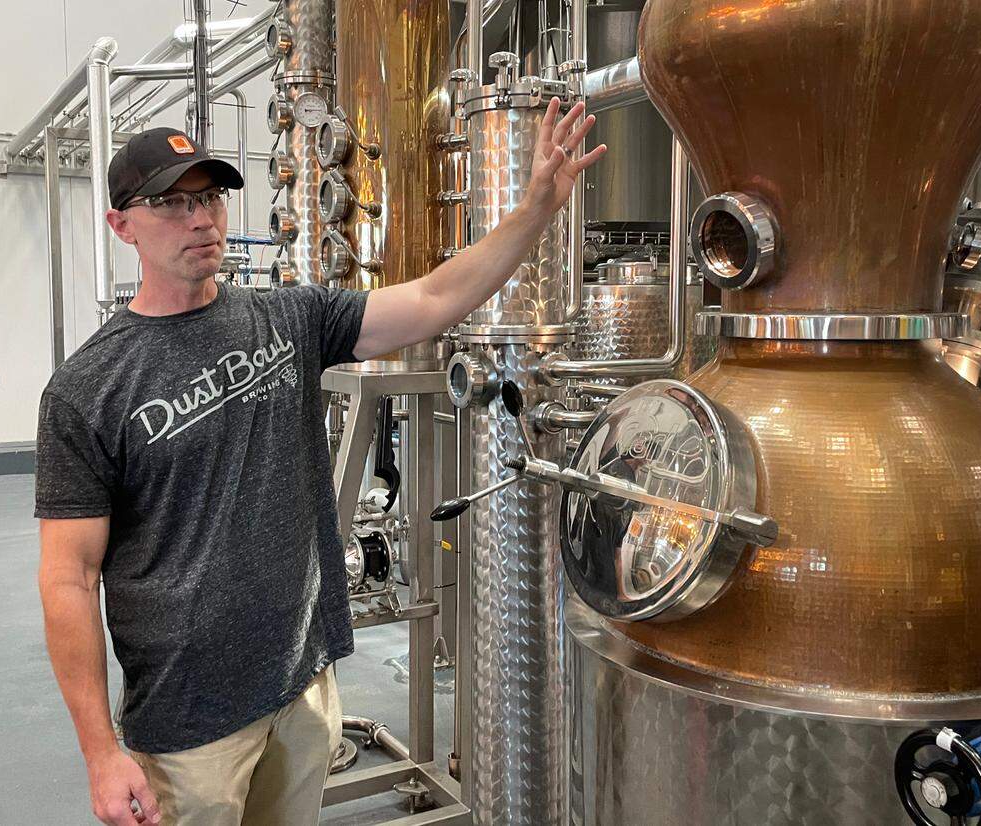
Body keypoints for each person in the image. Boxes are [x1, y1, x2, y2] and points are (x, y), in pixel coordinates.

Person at [35, 98, 605, 826]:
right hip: (189, 727)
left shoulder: (290, 318)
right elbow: (68, 577)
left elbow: (434, 299)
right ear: (122, 225)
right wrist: (99, 752)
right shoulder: (88, 388)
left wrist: (533, 212)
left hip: (301, 690)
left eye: (207, 197)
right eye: (171, 204)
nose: (201, 219)